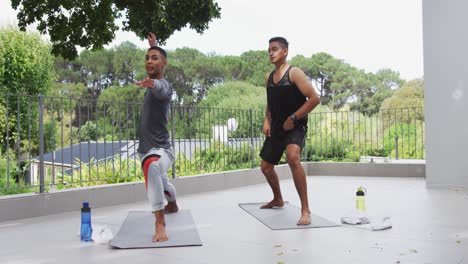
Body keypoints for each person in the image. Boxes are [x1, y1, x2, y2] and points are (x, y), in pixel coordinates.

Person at [259, 36, 320, 225]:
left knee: (293, 157)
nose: (271, 52)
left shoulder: (294, 73)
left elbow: (314, 99)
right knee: (266, 167)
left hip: (295, 124)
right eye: (269, 49)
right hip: (277, 126)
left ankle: (305, 210)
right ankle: (278, 198)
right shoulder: (269, 78)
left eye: (275, 49)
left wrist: (293, 118)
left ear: (285, 51)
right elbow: (271, 102)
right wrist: (267, 120)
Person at [135, 32, 178, 242]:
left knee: (151, 165)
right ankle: (173, 203)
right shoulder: (152, 83)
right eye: (147, 58)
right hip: (145, 148)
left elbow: (160, 87)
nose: (149, 61)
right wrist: (155, 47)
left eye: (155, 58)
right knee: (163, 183)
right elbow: (155, 80)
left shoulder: (164, 86)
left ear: (164, 63)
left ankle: (160, 223)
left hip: (162, 150)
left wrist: (151, 84)